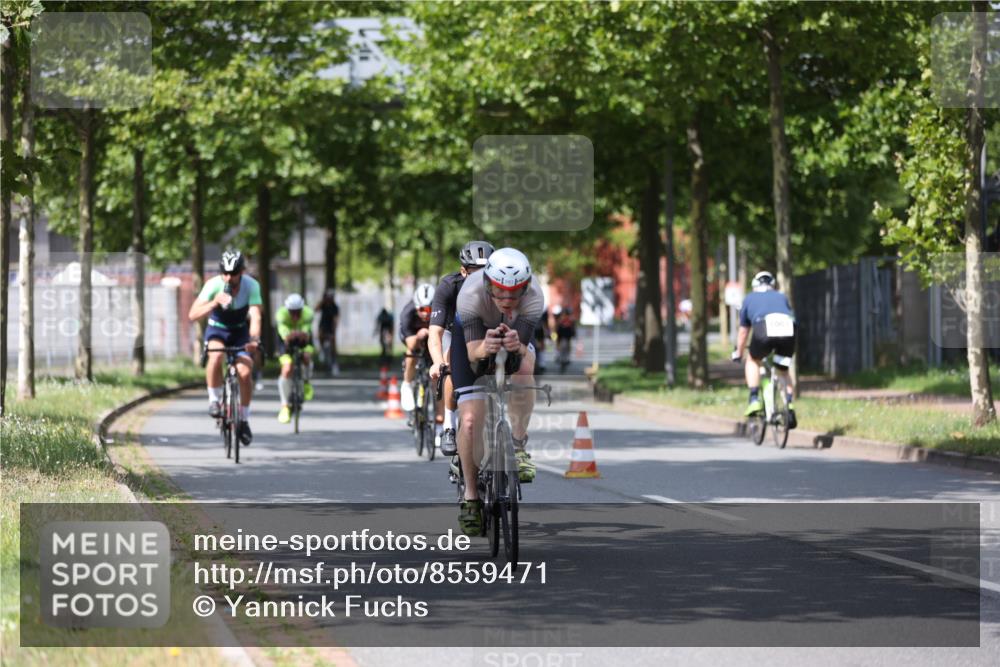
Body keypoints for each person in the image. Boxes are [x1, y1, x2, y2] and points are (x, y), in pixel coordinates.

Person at [451, 247, 544, 536]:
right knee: (469, 420)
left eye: (515, 293)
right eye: (500, 292)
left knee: (525, 372)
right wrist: (484, 347)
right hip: (471, 338)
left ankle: (517, 446)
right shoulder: (469, 294)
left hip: (513, 336)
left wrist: (516, 346)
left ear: (525, 288)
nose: (507, 299)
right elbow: (471, 354)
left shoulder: (535, 298)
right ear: (489, 283)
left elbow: (526, 362)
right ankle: (470, 497)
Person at [188, 250, 262, 446]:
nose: (229, 278)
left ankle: (244, 419)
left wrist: (254, 339)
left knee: (245, 373)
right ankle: (214, 399)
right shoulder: (213, 285)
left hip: (240, 332)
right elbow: (193, 314)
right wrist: (214, 302)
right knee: (216, 355)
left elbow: (255, 315)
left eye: (234, 273)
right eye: (225, 273)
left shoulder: (251, 285)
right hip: (217, 330)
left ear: (242, 272)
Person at [428, 241, 495, 456]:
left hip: (484, 331)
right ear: (463, 271)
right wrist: (438, 361)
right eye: (475, 273)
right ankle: (449, 425)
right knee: (450, 363)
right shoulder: (448, 287)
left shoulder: (497, 285)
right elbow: (435, 334)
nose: (481, 279)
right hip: (452, 331)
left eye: (486, 273)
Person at [731, 271, 798, 429]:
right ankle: (789, 404)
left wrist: (738, 353)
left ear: (755, 285)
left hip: (763, 328)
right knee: (783, 370)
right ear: (772, 285)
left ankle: (754, 399)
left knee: (753, 360)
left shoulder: (749, 298)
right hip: (789, 329)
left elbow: (743, 332)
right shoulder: (781, 296)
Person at [275, 293, 315, 424]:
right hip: (286, 341)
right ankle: (284, 406)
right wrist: (289, 336)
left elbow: (306, 331)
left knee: (307, 357)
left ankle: (307, 381)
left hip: (303, 339)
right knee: (287, 369)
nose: (295, 316)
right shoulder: (281, 314)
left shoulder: (308, 314)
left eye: (298, 312)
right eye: (292, 312)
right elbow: (283, 332)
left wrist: (302, 336)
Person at [399, 283, 437, 414]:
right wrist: (420, 334)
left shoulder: (441, 310)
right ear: (415, 307)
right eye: (421, 309)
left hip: (432, 335)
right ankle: (407, 384)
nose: (425, 314)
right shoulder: (407, 313)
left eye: (429, 310)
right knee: (412, 352)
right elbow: (410, 343)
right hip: (413, 335)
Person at [316, 290, 340, 376]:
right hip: (323, 325)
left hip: (331, 327)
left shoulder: (335, 307)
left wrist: (334, 330)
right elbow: (316, 309)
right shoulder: (323, 305)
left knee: (333, 345)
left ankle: (334, 364)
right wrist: (322, 300)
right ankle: (321, 350)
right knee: (319, 336)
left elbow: (336, 318)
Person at [553, 305, 576, 372]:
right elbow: (557, 327)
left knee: (566, 346)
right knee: (561, 346)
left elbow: (572, 328)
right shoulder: (562, 319)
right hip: (562, 335)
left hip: (566, 336)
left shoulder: (569, 320)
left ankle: (565, 358)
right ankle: (560, 357)